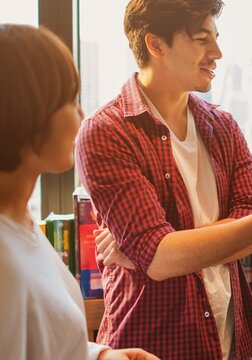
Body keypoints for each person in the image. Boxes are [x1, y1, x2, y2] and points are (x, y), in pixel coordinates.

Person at [74, 0, 252, 359]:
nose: (217, 53)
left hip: (226, 335)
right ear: (156, 45)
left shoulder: (223, 125)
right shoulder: (105, 132)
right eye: (202, 39)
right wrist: (161, 253)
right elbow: (161, 258)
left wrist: (162, 250)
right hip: (147, 343)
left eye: (215, 38)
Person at [0, 24, 159, 360]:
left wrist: (100, 356)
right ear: (28, 112)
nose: (82, 115)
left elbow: (41, 342)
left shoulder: (21, 225)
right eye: (71, 101)